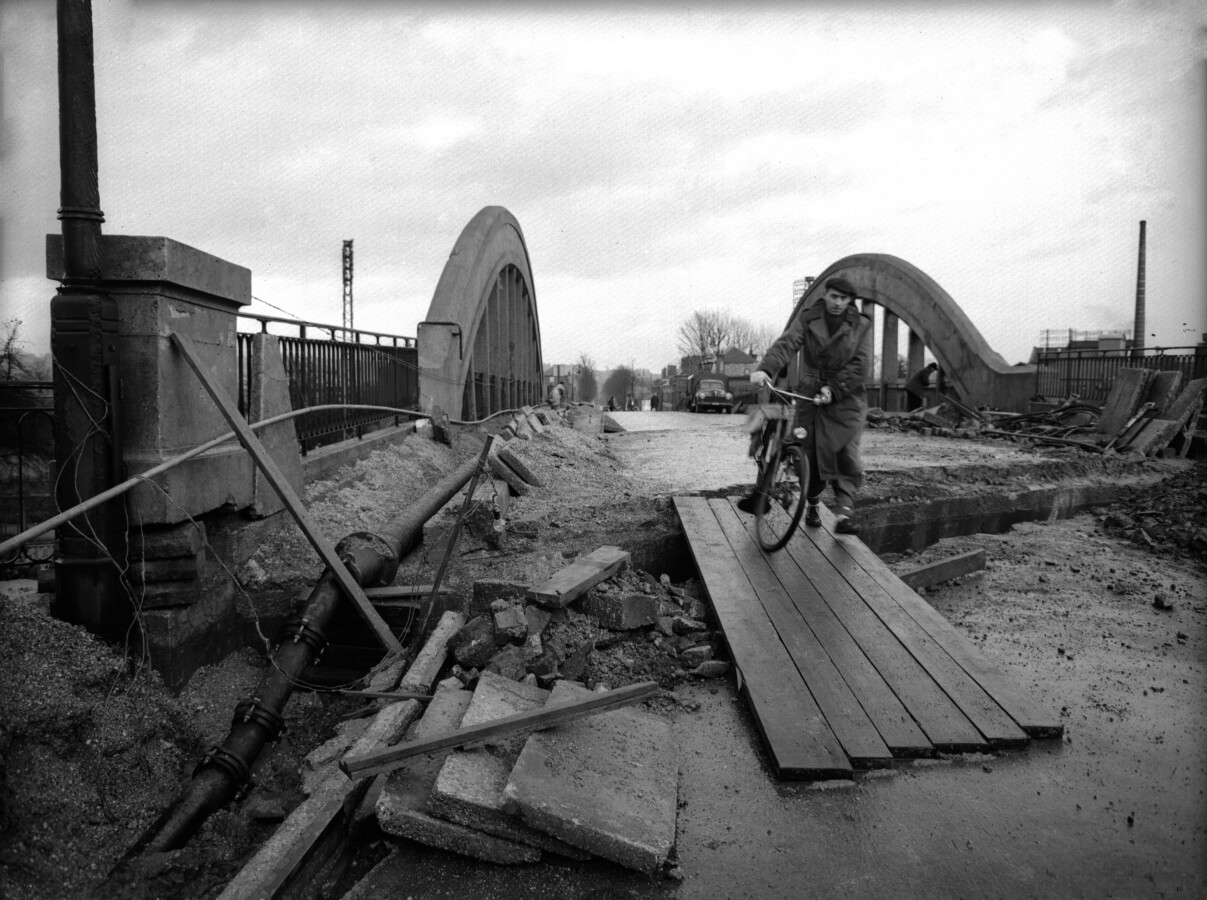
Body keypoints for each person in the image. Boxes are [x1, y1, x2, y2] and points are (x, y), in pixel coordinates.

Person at [738, 276, 873, 535]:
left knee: (845, 453)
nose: (838, 303)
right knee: (807, 453)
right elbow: (787, 344)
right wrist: (765, 369)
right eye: (834, 296)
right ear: (826, 295)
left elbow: (860, 365)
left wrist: (834, 389)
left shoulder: (861, 325)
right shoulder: (809, 318)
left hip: (847, 397)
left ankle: (844, 513)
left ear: (850, 301)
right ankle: (812, 502)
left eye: (844, 299)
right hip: (812, 392)